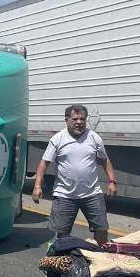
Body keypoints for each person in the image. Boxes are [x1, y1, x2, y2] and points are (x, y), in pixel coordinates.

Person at [32, 104, 118, 244]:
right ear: (67, 120)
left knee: (102, 230)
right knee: (63, 236)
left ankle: (101, 254)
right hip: (64, 195)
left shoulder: (94, 138)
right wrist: (37, 186)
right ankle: (63, 255)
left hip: (92, 194)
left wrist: (112, 181)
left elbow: (104, 160)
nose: (79, 122)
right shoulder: (58, 139)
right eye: (75, 119)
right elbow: (44, 163)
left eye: (82, 119)